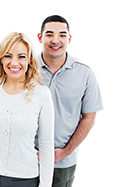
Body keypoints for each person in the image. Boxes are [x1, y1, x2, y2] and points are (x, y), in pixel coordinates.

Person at [0, 32, 55, 187]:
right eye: (8, 55)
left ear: (29, 60)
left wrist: (46, 185)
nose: (14, 62)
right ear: (1, 59)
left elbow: (46, 145)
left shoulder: (42, 95)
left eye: (21, 56)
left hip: (24, 179)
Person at [36, 15, 103, 187]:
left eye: (62, 35)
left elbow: (89, 118)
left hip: (63, 163)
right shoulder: (25, 69)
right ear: (40, 37)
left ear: (69, 38)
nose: (55, 40)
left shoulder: (85, 74)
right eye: (49, 34)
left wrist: (65, 152)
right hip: (27, 159)